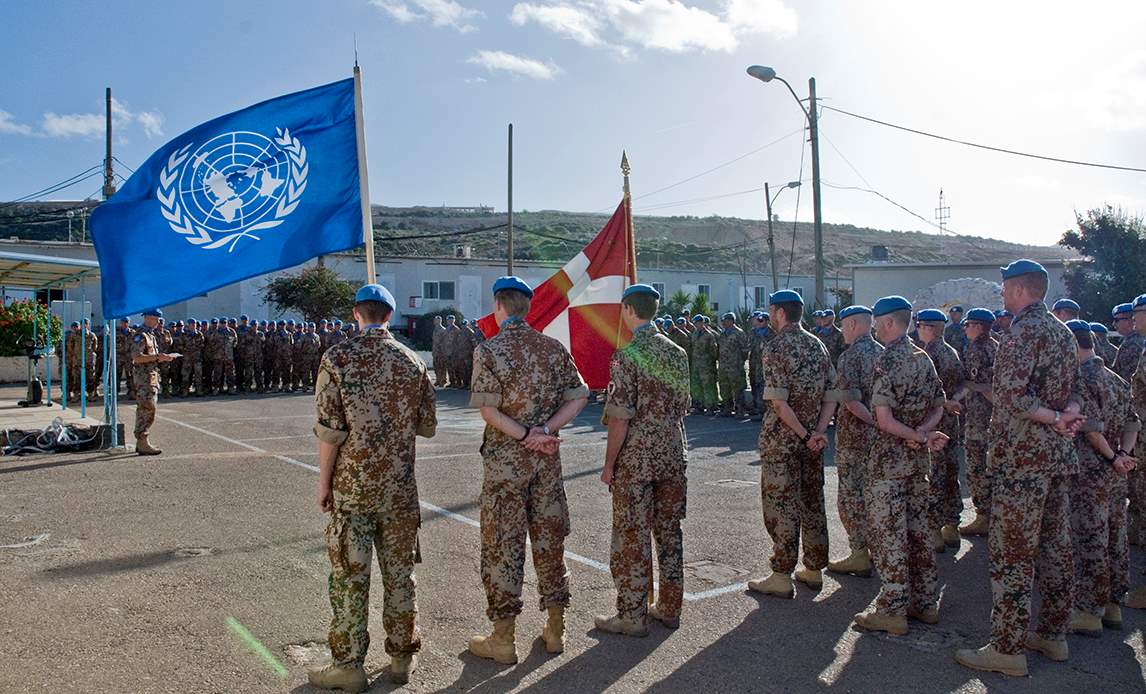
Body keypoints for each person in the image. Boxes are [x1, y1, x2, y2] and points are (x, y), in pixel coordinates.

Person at [955, 259, 1085, 678]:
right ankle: (1052, 635)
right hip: (1055, 458)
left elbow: (1010, 396)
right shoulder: (1063, 333)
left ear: (1018, 289)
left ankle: (1007, 648)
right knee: (1055, 547)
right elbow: (1076, 389)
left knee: (1013, 554)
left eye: (1005, 288)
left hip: (1022, 460)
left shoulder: (1022, 331)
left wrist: (1051, 417)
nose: (1002, 295)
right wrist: (1067, 416)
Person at [308, 283, 436, 690]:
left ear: (356, 314)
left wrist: (324, 484)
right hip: (399, 489)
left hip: (352, 489)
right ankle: (401, 658)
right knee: (400, 575)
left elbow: (330, 432)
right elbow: (428, 427)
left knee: (349, 576)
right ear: (391, 316)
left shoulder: (338, 357)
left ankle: (348, 665)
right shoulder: (412, 361)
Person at [468, 276, 589, 664]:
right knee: (550, 541)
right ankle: (556, 628)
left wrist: (523, 435)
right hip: (546, 461)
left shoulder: (489, 350)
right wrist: (545, 431)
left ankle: (503, 638)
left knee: (504, 544)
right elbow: (580, 396)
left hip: (507, 465)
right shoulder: (553, 348)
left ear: (499, 306)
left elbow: (489, 410)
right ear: (527, 307)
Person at [596, 284, 690, 636]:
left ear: (627, 310)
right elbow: (684, 405)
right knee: (669, 533)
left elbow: (620, 417)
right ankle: (669, 607)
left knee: (632, 536)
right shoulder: (677, 352)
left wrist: (608, 465)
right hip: (671, 453)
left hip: (636, 459)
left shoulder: (627, 355)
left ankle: (632, 615)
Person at [852, 296, 949, 636]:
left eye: (878, 322)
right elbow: (940, 405)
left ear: (889, 323)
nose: (875, 328)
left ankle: (892, 609)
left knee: (888, 534)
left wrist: (916, 436)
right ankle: (925, 602)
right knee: (918, 530)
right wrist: (922, 433)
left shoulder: (886, 361)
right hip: (915, 461)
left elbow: (883, 419)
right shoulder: (924, 359)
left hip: (889, 463)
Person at [748, 290, 838, 598]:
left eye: (771, 311)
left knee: (781, 506)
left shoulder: (776, 347)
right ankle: (813, 569)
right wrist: (818, 432)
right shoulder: (818, 345)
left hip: (783, 442)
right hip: (812, 441)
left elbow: (778, 402)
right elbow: (831, 395)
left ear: (778, 312)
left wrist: (803, 433)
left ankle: (781, 574)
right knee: (812, 501)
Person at [1064, 319, 1138, 635]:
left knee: (1089, 538)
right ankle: (1112, 606)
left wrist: (1111, 456)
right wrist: (1123, 454)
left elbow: (1090, 429)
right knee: (1115, 536)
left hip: (1090, 473)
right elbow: (1133, 423)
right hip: (1114, 474)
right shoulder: (1116, 379)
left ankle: (1088, 611)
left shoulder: (1081, 380)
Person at [826, 305, 884, 578]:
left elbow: (850, 401)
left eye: (843, 325)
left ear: (852, 325)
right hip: (881, 439)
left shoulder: (850, 357)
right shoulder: (883, 353)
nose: (841, 331)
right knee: (874, 495)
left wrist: (873, 421)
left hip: (855, 440)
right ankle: (877, 551)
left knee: (851, 497)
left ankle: (859, 553)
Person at [916, 308, 966, 551]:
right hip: (951, 423)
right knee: (950, 474)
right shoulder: (951, 352)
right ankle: (952, 526)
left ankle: (933, 530)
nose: (917, 330)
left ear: (929, 328)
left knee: (934, 476)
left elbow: (927, 392)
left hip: (933, 423)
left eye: (920, 325)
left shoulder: (927, 354)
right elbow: (963, 384)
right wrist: (953, 401)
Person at [958, 308, 999, 536]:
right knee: (991, 465)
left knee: (975, 467)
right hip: (994, 417)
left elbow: (979, 384)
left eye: (968, 325)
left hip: (979, 418)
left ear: (978, 326)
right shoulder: (997, 345)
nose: (965, 329)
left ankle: (983, 515)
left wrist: (956, 397)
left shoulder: (977, 348)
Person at [131, 308, 177, 456]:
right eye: (156, 319)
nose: (158, 322)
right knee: (147, 409)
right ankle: (142, 440)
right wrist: (158, 357)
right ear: (149, 318)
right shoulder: (141, 334)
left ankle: (142, 441)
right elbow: (137, 357)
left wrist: (163, 357)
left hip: (150, 377)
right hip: (144, 379)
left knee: (148, 409)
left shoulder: (151, 334)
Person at [716, 312, 748, 417]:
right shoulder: (723, 333)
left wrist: (739, 362)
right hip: (723, 366)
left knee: (738, 388)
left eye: (725, 320)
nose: (723, 322)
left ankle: (740, 410)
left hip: (735, 366)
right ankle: (727, 408)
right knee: (724, 388)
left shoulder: (739, 333)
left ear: (731, 321)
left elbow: (744, 350)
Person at [747, 311, 774, 419]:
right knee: (755, 386)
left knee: (763, 388)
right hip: (754, 364)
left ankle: (763, 412)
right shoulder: (754, 333)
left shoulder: (772, 333)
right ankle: (757, 408)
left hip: (766, 366)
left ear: (767, 321)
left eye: (761, 320)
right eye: (758, 320)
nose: (759, 322)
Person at [690, 314, 718, 415]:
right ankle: (699, 406)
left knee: (708, 386)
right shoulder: (695, 334)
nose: (696, 325)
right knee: (697, 386)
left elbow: (713, 351)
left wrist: (710, 362)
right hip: (696, 364)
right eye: (695, 324)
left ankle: (710, 407)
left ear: (701, 323)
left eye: (697, 323)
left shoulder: (709, 335)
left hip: (706, 365)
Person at [1111, 302, 1142, 382]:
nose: (1114, 324)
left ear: (1130, 320)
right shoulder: (1140, 338)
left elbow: (1125, 379)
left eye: (1116, 320)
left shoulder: (1131, 344)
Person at [180, 320, 205, 397]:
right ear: (188, 325)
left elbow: (202, 345)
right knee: (186, 375)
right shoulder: (184, 334)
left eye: (194, 324)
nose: (193, 325)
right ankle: (185, 391)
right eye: (191, 324)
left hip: (197, 358)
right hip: (187, 358)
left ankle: (198, 391)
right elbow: (180, 345)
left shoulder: (199, 334)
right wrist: (186, 350)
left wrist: (195, 350)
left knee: (198, 375)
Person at [431, 315, 448, 387]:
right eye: (434, 320)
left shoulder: (443, 330)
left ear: (439, 321)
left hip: (441, 352)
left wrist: (443, 352)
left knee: (442, 367)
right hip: (435, 352)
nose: (434, 321)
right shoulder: (435, 329)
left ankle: (443, 381)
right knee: (436, 366)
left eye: (436, 320)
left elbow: (445, 342)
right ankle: (438, 380)